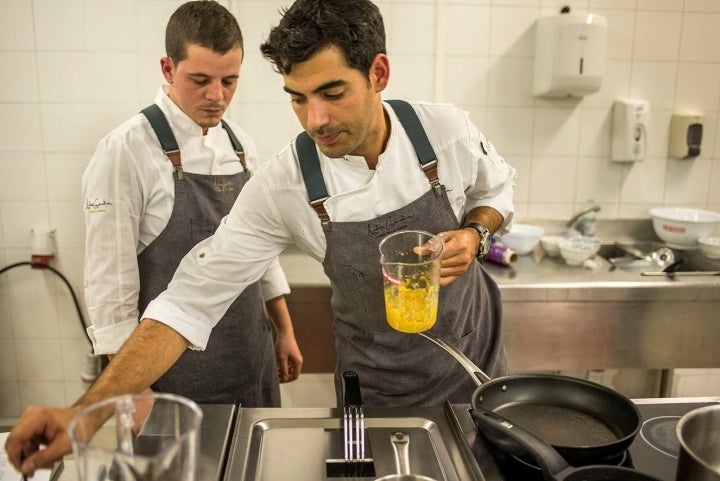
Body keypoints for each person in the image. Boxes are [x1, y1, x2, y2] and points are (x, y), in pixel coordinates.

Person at [5, 0, 515, 475]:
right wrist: (85, 415)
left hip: (477, 370)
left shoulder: (444, 131)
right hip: (378, 391)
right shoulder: (286, 184)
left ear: (378, 73)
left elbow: (497, 190)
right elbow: (187, 301)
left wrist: (474, 232)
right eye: (298, 98)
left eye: (332, 94)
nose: (315, 119)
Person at [81, 0, 302, 406]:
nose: (217, 96)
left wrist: (284, 330)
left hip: (251, 357)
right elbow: (110, 285)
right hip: (173, 378)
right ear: (168, 68)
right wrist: (135, 390)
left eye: (229, 81)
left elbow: (261, 250)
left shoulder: (239, 144)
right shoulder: (125, 151)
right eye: (200, 80)